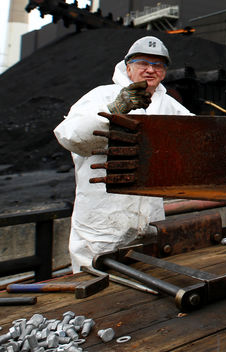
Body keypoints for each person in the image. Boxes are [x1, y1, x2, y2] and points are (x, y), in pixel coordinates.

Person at [54, 36, 192, 272]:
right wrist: (113, 111)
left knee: (144, 291)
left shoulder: (169, 106)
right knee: (96, 289)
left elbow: (196, 140)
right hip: (103, 224)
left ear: (165, 72)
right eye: (143, 63)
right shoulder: (101, 96)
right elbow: (69, 136)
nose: (150, 70)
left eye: (158, 65)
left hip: (150, 223)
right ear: (128, 67)